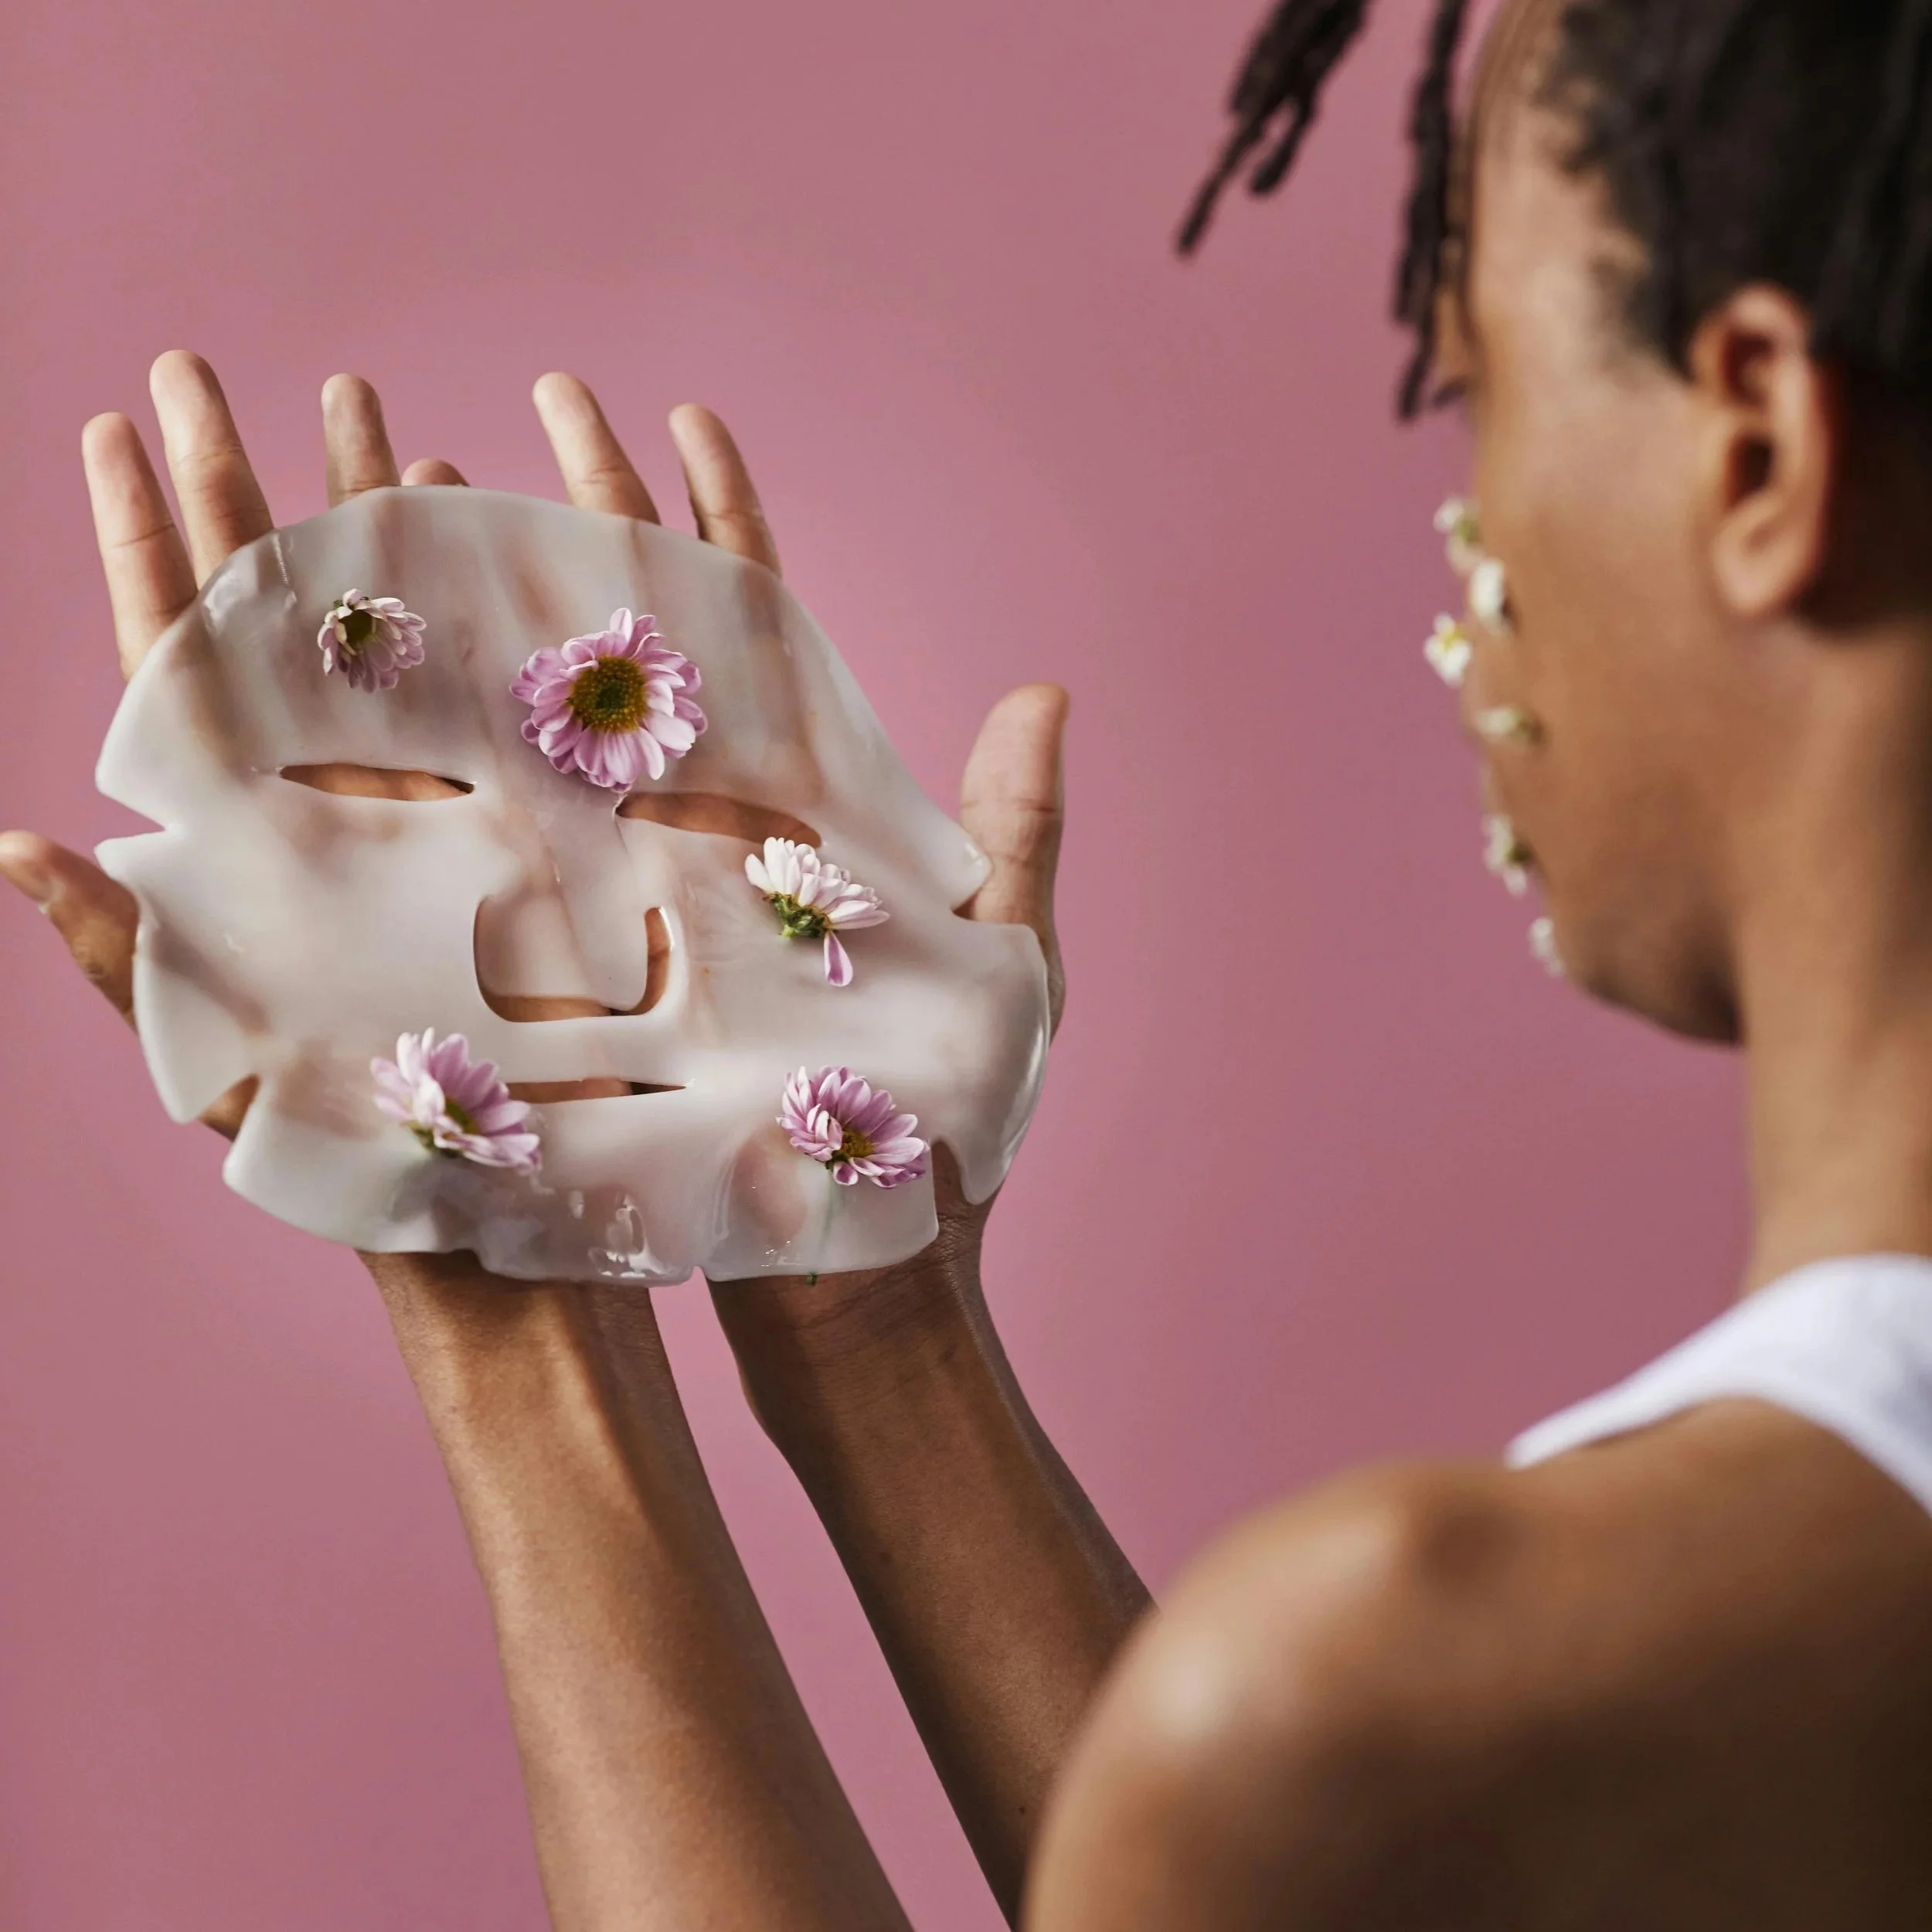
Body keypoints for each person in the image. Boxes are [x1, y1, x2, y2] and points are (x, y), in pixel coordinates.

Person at [8, 0, 1932, 1923]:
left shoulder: (1439, 1689)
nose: (1467, 528)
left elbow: (1283, 1824)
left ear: (1757, 442)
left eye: (1470, 388)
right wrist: (880, 1320)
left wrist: (501, 1307)